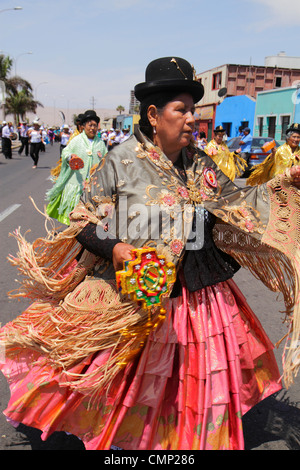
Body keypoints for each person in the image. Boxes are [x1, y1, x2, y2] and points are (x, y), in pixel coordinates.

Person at [1, 56, 300, 451]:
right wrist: (118, 247)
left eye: (194, 110)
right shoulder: (121, 162)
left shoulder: (201, 163)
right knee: (135, 382)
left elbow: (241, 203)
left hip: (200, 294)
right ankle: (137, 441)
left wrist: (287, 183)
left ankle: (189, 443)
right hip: (141, 292)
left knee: (198, 378)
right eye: (183, 110)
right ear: (155, 115)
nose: (193, 118)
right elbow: (84, 221)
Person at [45, 109, 108, 225]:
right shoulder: (76, 141)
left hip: (94, 186)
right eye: (90, 125)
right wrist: (70, 157)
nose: (93, 128)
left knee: (91, 217)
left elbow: (106, 159)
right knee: (74, 215)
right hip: (76, 185)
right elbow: (65, 152)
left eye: (95, 125)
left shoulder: (100, 143)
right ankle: (73, 234)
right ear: (84, 126)